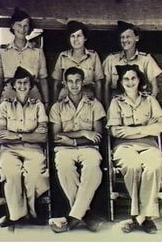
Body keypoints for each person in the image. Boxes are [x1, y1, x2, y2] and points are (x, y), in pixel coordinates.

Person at [106, 64, 162, 234]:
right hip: (124, 146)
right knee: (132, 166)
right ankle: (144, 218)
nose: (130, 82)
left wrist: (134, 130)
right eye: (126, 79)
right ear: (121, 82)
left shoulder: (149, 100)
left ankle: (140, 217)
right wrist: (148, 128)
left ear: (139, 80)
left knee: (154, 166)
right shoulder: (116, 102)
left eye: (133, 78)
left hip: (148, 145)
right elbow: (115, 131)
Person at [49, 67, 105, 232]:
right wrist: (82, 132)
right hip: (64, 150)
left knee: (93, 168)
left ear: (83, 82)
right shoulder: (57, 107)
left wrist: (72, 141)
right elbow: (56, 137)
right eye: (70, 81)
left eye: (78, 81)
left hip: (88, 148)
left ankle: (74, 216)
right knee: (64, 166)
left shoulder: (94, 105)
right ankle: (83, 214)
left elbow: (98, 136)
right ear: (65, 84)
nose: (74, 85)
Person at [0, 66, 49, 227]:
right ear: (13, 85)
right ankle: (17, 215)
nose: (22, 86)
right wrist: (28, 136)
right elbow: (2, 137)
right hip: (9, 151)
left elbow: (42, 136)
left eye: (26, 83)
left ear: (31, 85)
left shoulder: (38, 106)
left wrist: (17, 136)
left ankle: (31, 213)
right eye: (19, 83)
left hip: (33, 150)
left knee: (34, 175)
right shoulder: (5, 106)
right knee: (11, 172)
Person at [0, 7, 49, 113]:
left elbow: (43, 79)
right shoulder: (3, 51)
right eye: (19, 25)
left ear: (29, 28)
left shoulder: (37, 51)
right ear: (12, 26)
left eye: (25, 26)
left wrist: (46, 103)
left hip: (32, 93)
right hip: (9, 93)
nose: (22, 29)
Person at [103, 21, 162, 107]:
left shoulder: (146, 59)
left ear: (136, 38)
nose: (124, 40)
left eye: (128, 37)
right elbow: (106, 86)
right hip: (118, 105)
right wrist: (109, 108)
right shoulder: (111, 59)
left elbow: (155, 88)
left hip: (140, 104)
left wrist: (148, 107)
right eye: (122, 37)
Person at [52, 20, 104, 103]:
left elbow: (98, 84)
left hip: (88, 98)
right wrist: (54, 105)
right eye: (72, 36)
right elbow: (56, 83)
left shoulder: (93, 56)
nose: (76, 39)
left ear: (85, 38)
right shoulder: (63, 56)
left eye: (79, 36)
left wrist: (99, 105)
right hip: (65, 98)